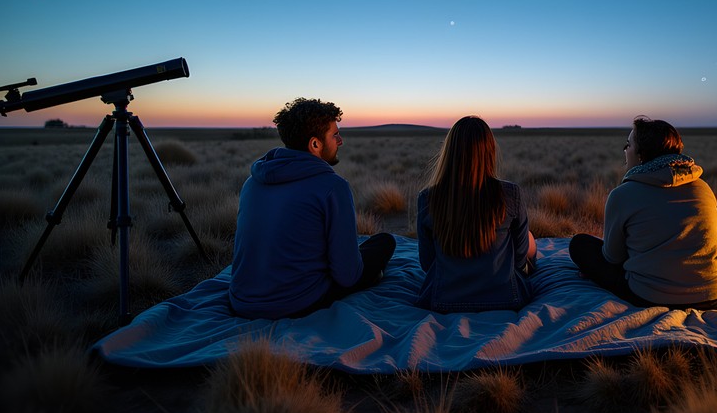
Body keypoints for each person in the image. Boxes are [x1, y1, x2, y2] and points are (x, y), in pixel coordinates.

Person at [229, 97, 396, 320]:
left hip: (241, 300)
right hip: (294, 302)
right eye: (335, 135)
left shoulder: (252, 182)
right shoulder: (333, 187)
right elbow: (348, 276)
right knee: (384, 242)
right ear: (315, 144)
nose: (340, 141)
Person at [569, 116, 717, 310]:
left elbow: (612, 258)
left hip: (650, 295)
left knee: (580, 245)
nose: (625, 151)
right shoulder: (704, 187)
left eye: (628, 145)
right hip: (714, 295)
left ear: (641, 155)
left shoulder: (622, 195)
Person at [416, 116, 537, 313]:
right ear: (489, 151)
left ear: (449, 152)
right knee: (530, 240)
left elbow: (427, 262)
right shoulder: (510, 193)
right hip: (507, 298)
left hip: (443, 300)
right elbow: (520, 260)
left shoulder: (428, 198)